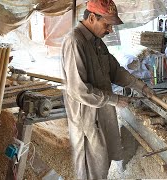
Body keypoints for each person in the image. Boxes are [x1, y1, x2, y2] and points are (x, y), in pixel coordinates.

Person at [61, 0, 155, 179]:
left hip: (102, 113)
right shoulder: (74, 42)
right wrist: (115, 99)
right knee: (91, 170)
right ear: (91, 18)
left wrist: (141, 86)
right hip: (87, 118)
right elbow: (78, 90)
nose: (110, 30)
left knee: (102, 163)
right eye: (107, 25)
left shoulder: (97, 42)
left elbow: (115, 70)